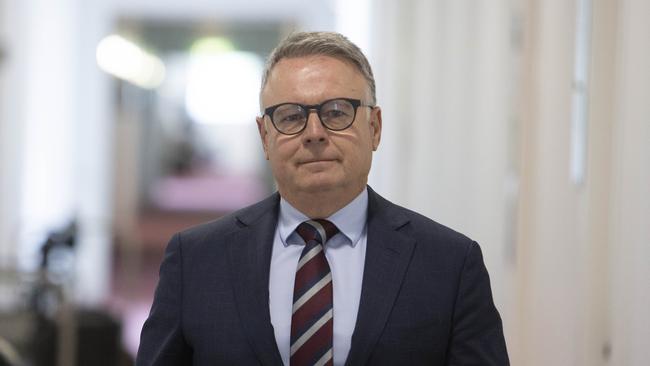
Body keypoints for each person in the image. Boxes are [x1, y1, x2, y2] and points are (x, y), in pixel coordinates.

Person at [136, 31, 509, 366]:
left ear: (374, 128)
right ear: (265, 137)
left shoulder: (450, 264)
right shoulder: (196, 259)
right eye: (290, 116)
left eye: (336, 112)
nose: (314, 133)